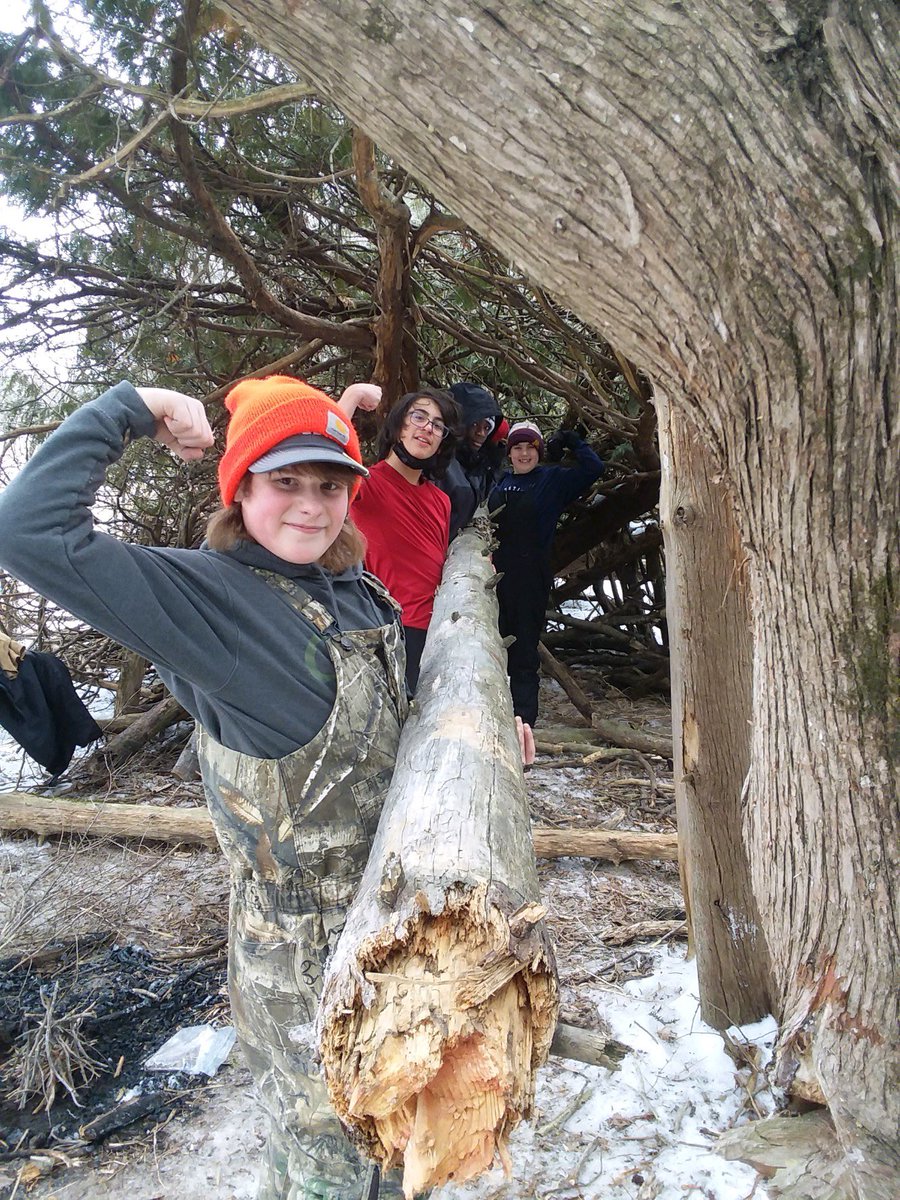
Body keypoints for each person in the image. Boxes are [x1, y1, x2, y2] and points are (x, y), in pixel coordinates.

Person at [0, 375, 413, 1199]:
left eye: (330, 484)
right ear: (242, 489)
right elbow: (27, 531)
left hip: (394, 939)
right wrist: (132, 407)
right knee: (332, 1168)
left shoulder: (353, 592)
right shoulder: (206, 600)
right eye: (283, 481)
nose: (310, 504)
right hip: (306, 976)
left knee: (399, 1149)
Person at [489, 420, 604, 727]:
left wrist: (569, 439)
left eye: (530, 447)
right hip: (493, 579)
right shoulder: (498, 482)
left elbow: (594, 468)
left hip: (531, 577)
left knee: (524, 650)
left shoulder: (552, 480)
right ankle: (493, 713)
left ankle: (523, 720)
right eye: (518, 447)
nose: (524, 454)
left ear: (539, 451)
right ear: (509, 452)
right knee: (492, 645)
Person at [347, 386, 461, 694]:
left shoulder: (440, 500)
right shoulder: (364, 484)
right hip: (386, 631)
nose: (427, 428)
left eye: (438, 425)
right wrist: (353, 396)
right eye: (419, 417)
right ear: (399, 426)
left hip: (438, 633)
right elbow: (325, 454)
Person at [439, 381, 508, 539]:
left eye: (487, 427)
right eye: (475, 424)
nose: (481, 433)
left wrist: (494, 456)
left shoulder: (475, 463)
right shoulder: (439, 461)